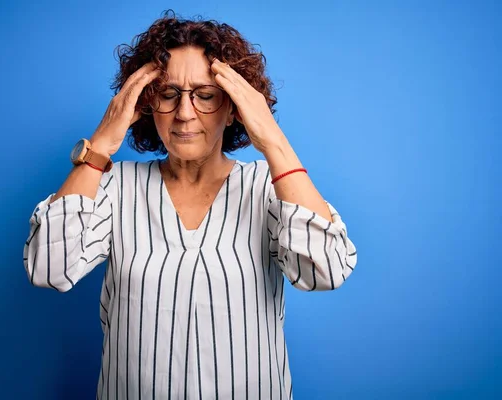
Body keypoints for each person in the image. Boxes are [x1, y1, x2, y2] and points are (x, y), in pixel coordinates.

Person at [23, 11, 358, 400]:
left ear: (233, 107)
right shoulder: (115, 186)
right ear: (146, 104)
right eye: (167, 94)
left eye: (205, 96)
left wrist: (272, 141)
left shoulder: (269, 188)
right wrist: (100, 147)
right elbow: (49, 267)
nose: (184, 113)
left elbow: (327, 271)